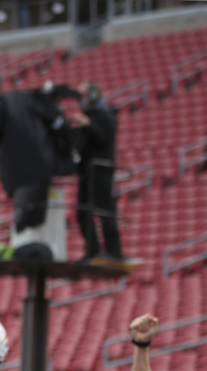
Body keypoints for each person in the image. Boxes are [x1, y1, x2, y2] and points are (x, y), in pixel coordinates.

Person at [72, 81, 121, 261]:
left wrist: (88, 125)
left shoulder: (104, 114)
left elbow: (103, 138)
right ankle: (92, 250)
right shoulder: (88, 116)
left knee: (104, 211)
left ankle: (114, 252)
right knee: (82, 212)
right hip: (86, 171)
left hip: (101, 170)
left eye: (84, 95)